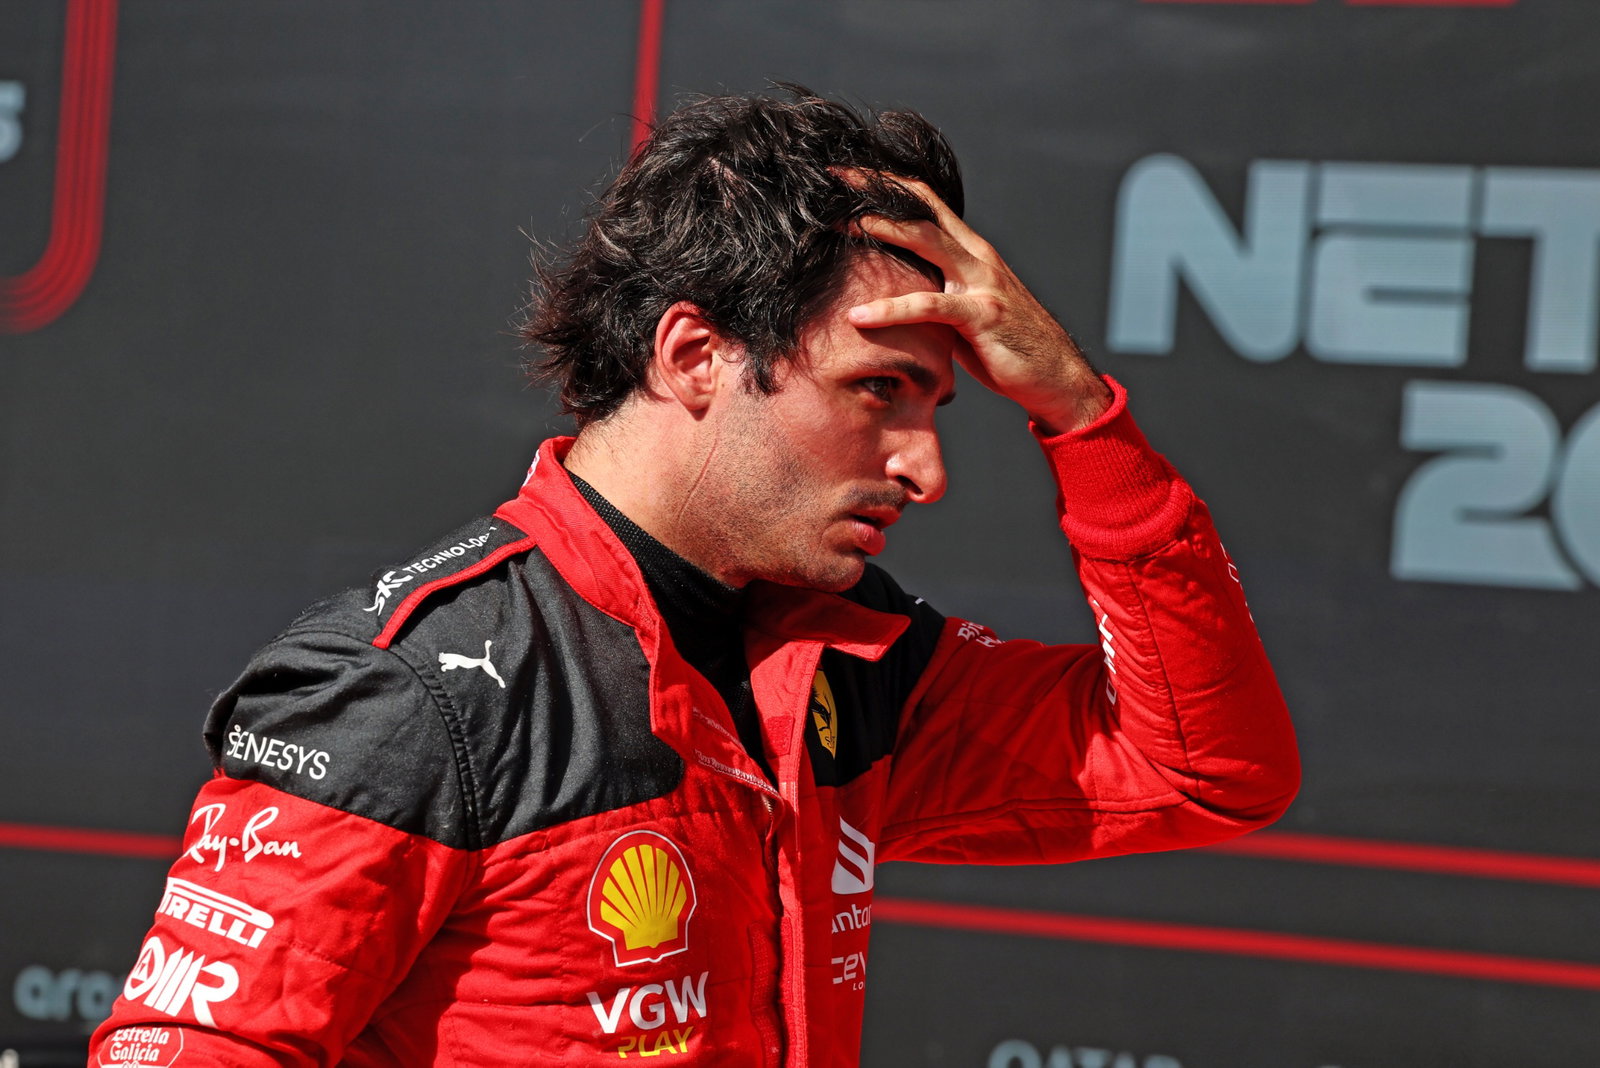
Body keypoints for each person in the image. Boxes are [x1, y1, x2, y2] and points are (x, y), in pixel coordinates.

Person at [89, 87, 1298, 1067]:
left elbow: (1202, 769)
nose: (924, 470)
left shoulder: (848, 659)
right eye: (877, 390)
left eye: (941, 407)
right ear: (696, 353)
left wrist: (1081, 416)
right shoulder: (419, 688)